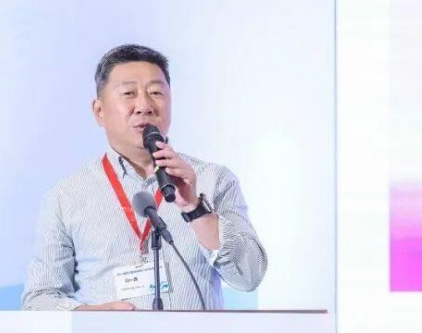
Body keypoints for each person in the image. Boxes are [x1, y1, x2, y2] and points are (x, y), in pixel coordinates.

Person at [22, 44, 267, 311]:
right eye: (129, 93)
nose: (144, 105)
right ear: (99, 111)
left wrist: (195, 209)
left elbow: (249, 277)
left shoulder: (214, 180)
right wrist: (88, 315)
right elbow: (39, 298)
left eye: (156, 93)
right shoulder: (65, 196)